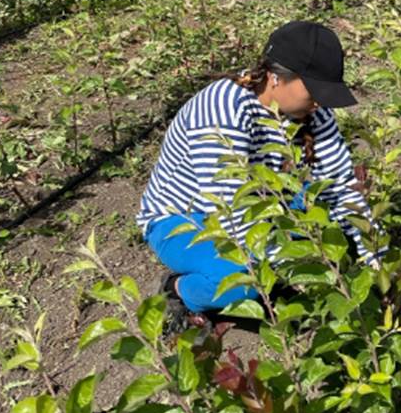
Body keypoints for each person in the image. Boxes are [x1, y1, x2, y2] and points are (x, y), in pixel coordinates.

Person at [135, 20, 384, 330]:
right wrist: (292, 264)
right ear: (277, 78)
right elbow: (227, 207)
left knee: (335, 235)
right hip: (188, 218)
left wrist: (375, 258)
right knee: (247, 282)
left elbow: (340, 186)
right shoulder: (223, 109)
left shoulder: (313, 112)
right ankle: (179, 289)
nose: (320, 102)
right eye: (314, 91)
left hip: (265, 205)